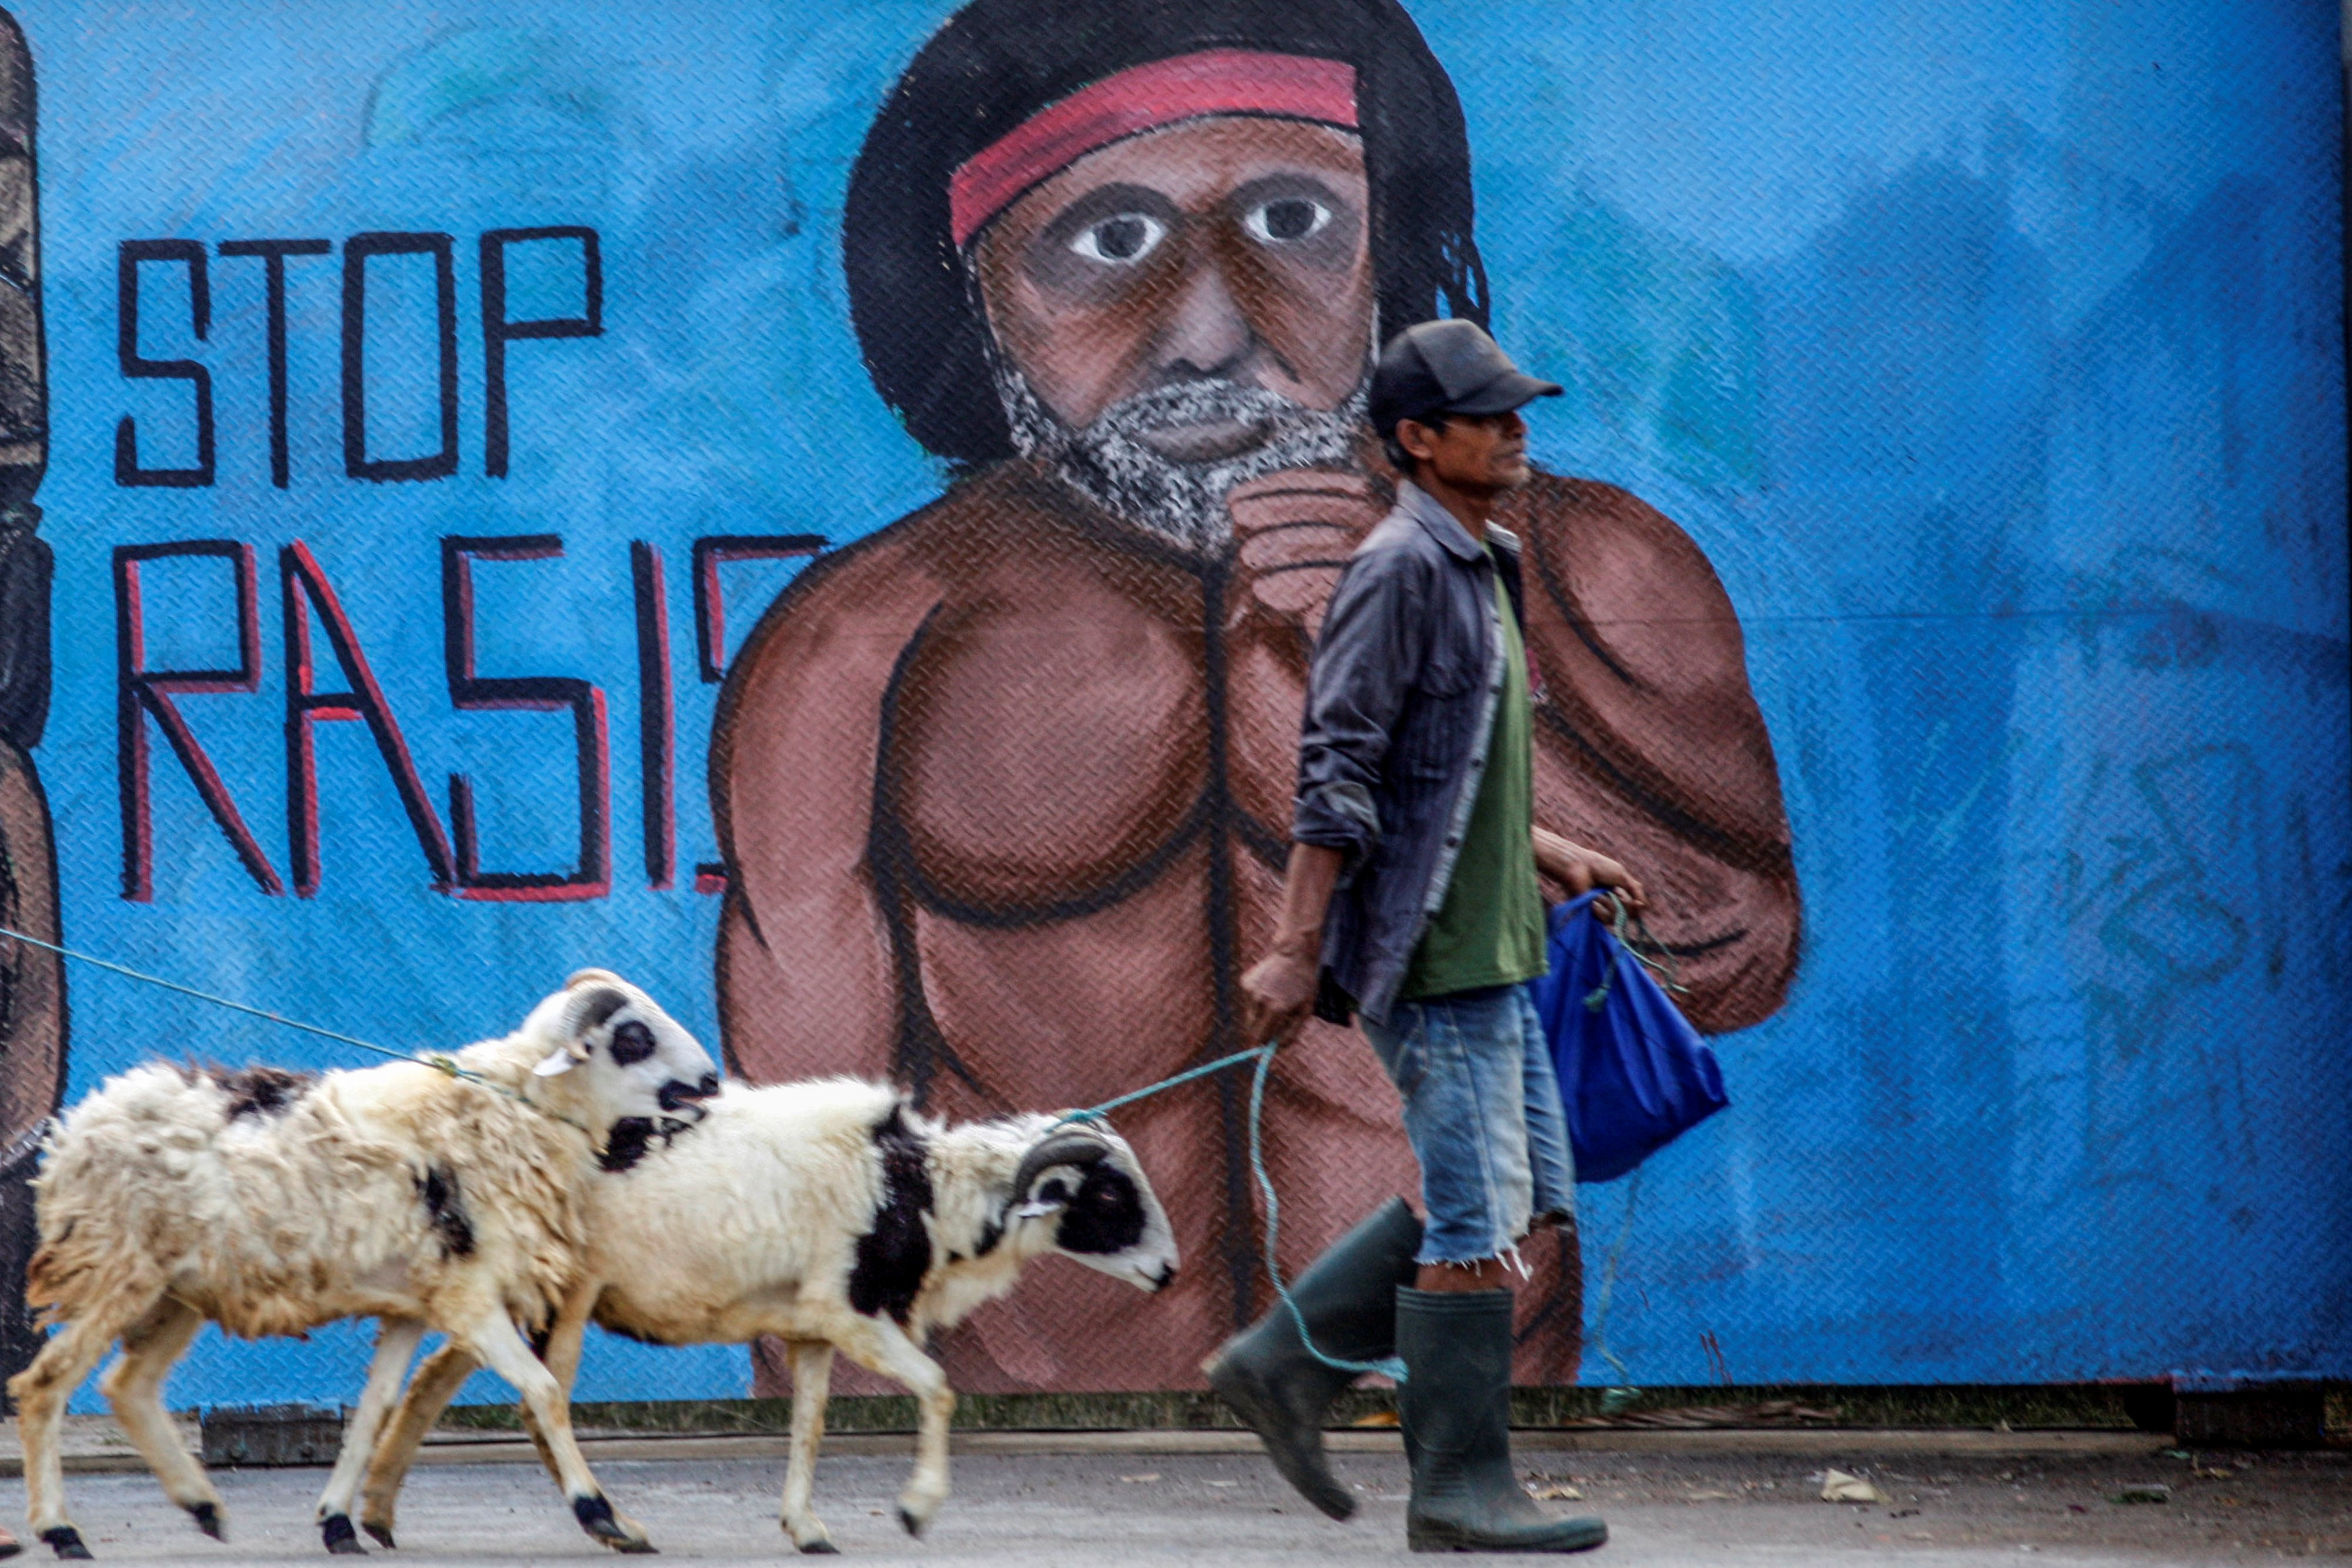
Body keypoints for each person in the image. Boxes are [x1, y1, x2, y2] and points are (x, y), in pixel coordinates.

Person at [711, 0, 1800, 1394]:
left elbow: (1731, 963)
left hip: (1445, 1410)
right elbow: (814, 1164)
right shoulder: (867, 641)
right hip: (1030, 1472)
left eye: (1290, 221)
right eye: (1109, 243)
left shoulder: (1584, 567)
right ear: (975, 297)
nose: (1210, 330)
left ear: (1387, 245)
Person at [1209, 318, 1618, 1553]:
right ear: (1415, 440)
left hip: (1495, 943)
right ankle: (1457, 1488)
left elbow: (1449, 765)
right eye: (1486, 415)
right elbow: (1336, 768)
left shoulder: (1474, 560)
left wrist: (1548, 848)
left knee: (1528, 1196)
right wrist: (1293, 943)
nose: (1514, 429)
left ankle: (1287, 1359)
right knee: (1471, 1220)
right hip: (1434, 956)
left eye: (1515, 409)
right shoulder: (1397, 569)